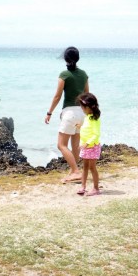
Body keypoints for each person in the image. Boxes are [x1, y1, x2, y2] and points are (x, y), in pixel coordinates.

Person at [45, 46, 89, 183]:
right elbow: (87, 95)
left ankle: (76, 171)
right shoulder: (83, 74)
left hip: (70, 113)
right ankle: (74, 172)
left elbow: (57, 96)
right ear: (78, 58)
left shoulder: (64, 75)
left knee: (61, 145)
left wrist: (49, 112)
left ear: (65, 58)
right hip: (82, 113)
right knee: (75, 145)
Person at [75, 92, 102, 196]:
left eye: (83, 107)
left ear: (90, 107)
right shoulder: (88, 117)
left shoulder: (94, 119)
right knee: (85, 167)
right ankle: (83, 186)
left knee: (92, 167)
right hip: (86, 146)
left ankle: (96, 188)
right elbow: (87, 129)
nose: (82, 109)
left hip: (92, 147)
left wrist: (87, 143)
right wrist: (80, 127)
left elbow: (96, 134)